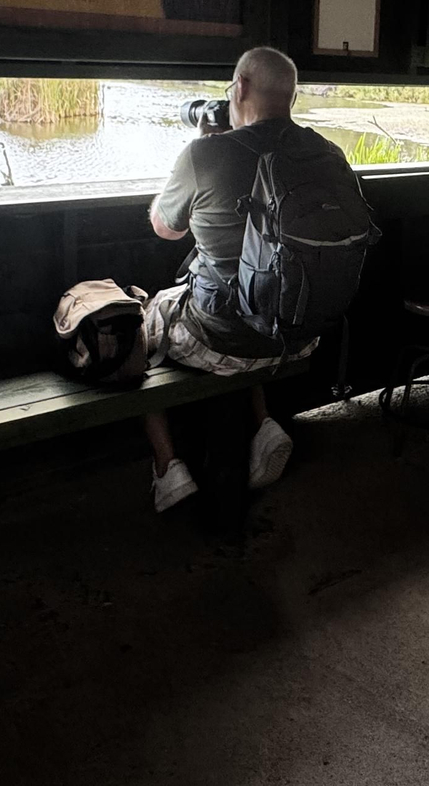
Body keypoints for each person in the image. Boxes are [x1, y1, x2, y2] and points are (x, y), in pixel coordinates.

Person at [142, 47, 342, 512]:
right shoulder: (327, 152)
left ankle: (166, 467)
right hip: (301, 333)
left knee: (143, 325)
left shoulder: (205, 153)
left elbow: (165, 227)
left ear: (243, 87)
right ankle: (265, 423)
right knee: (254, 304)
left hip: (222, 341)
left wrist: (198, 150)